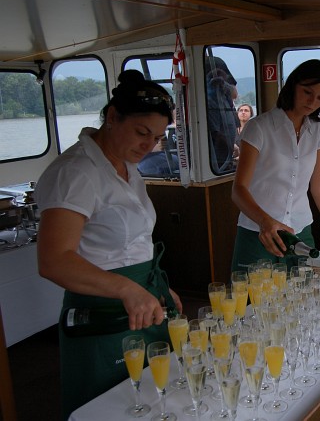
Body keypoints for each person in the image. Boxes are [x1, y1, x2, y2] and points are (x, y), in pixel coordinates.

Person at [34, 70, 183, 419]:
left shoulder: (128, 167)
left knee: (153, 392)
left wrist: (158, 288)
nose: (149, 146)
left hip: (144, 300)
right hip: (102, 310)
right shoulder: (76, 172)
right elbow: (54, 260)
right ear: (113, 117)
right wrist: (128, 289)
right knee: (109, 405)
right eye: (142, 133)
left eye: (158, 137)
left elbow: (131, 244)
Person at [231, 59, 320, 271]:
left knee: (305, 291)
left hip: (300, 231)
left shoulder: (315, 131)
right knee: (253, 292)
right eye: (307, 92)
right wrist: (265, 222)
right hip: (258, 232)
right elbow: (238, 189)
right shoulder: (259, 127)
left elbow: (319, 187)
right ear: (292, 86)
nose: (312, 102)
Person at [205, 56, 240, 173]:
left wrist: (224, 85)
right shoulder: (209, 103)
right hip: (217, 157)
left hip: (227, 152)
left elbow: (234, 93)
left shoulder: (216, 62)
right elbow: (216, 134)